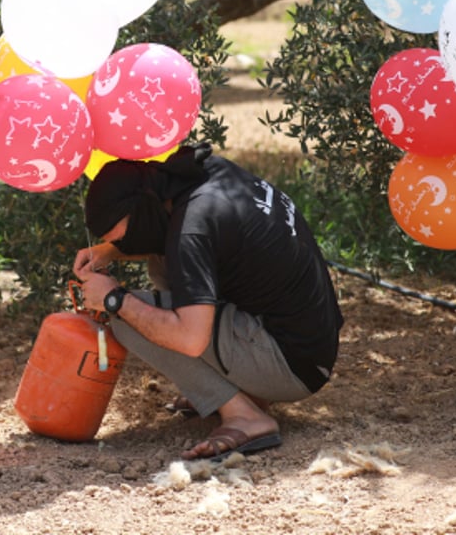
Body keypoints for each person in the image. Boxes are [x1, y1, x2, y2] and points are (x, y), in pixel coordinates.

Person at [73, 143, 343, 460]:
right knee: (163, 262)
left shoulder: (191, 229)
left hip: (291, 367)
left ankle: (246, 416)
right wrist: (111, 251)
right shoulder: (204, 173)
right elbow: (173, 234)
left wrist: (114, 299)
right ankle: (240, 387)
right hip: (312, 343)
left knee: (126, 318)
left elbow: (190, 339)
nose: (119, 246)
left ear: (145, 210)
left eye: (120, 239)